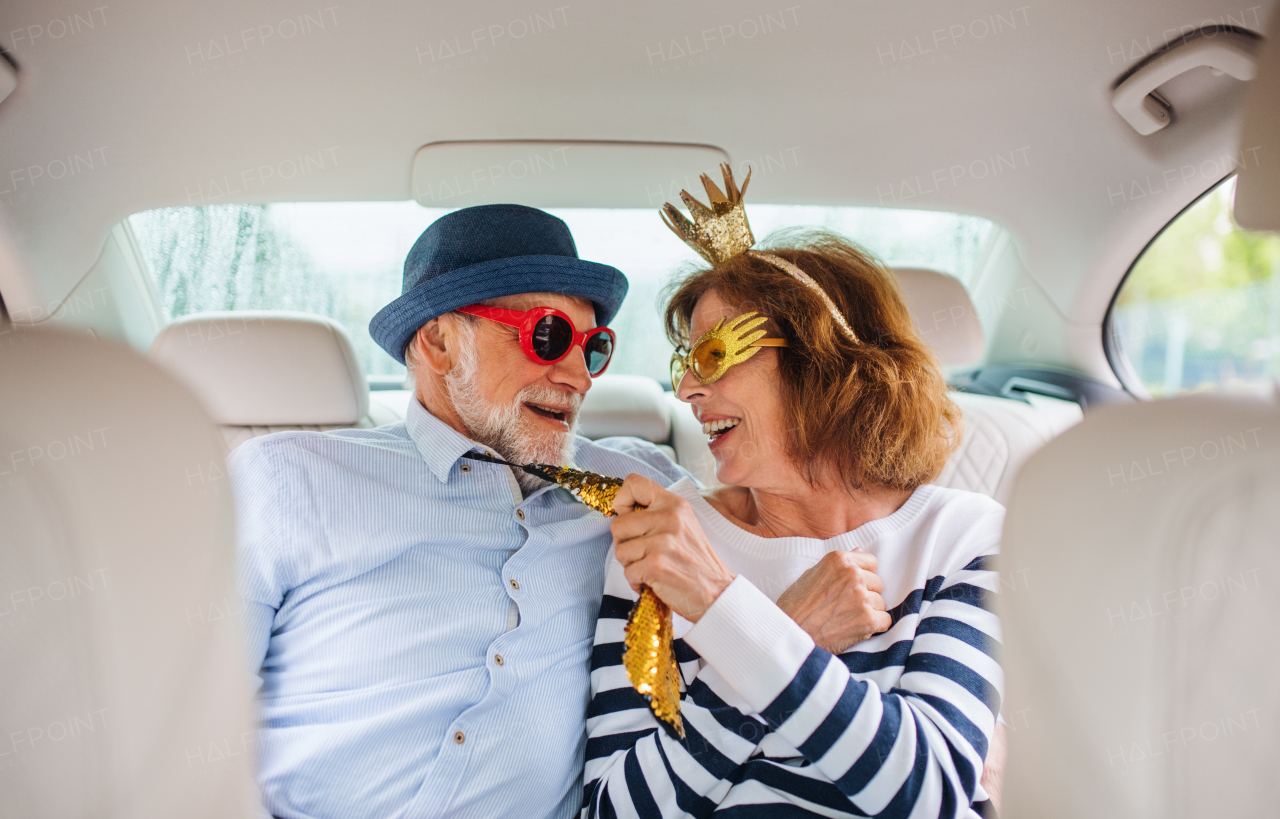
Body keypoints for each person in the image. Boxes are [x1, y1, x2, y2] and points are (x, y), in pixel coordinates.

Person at [230, 204, 688, 819]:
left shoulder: (641, 482)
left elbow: (796, 510)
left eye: (594, 346)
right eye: (547, 335)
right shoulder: (286, 480)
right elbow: (176, 714)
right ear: (440, 341)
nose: (579, 376)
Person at [583, 168, 1004, 818]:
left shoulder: (964, 537)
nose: (689, 389)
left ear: (827, 361)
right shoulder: (666, 547)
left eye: (716, 354)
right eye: (684, 364)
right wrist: (784, 628)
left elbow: (931, 792)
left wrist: (731, 619)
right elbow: (611, 811)